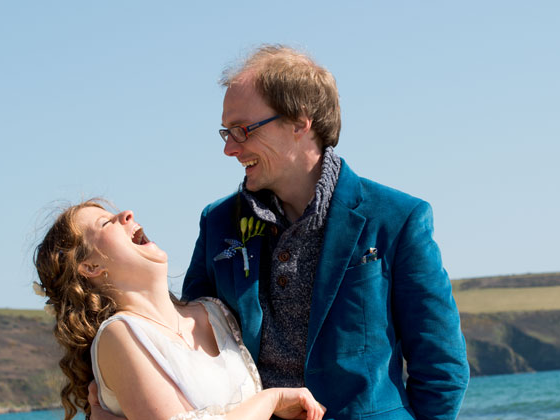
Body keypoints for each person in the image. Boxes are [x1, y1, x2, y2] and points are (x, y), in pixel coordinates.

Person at [180, 45, 470, 419]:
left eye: (242, 130)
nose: (229, 148)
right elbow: (186, 347)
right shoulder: (217, 222)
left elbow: (442, 367)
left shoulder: (398, 218)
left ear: (301, 123)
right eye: (226, 132)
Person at [33, 200, 326, 420]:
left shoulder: (215, 313)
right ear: (90, 267)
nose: (127, 215)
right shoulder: (119, 335)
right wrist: (272, 400)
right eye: (107, 222)